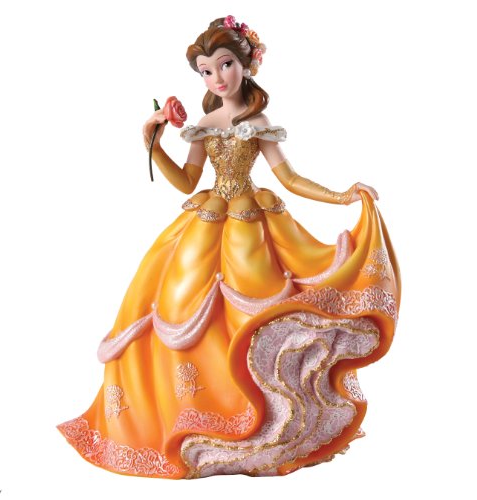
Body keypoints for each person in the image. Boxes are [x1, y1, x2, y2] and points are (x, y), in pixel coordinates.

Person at [57, 15, 401, 479]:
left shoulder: (258, 122)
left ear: (246, 65)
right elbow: (186, 180)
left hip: (250, 225)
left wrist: (343, 196)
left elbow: (290, 178)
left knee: (260, 298)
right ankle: (203, 409)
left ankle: (267, 416)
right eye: (206, 70)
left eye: (225, 65)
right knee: (179, 299)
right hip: (208, 220)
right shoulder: (204, 123)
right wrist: (153, 145)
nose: (217, 78)